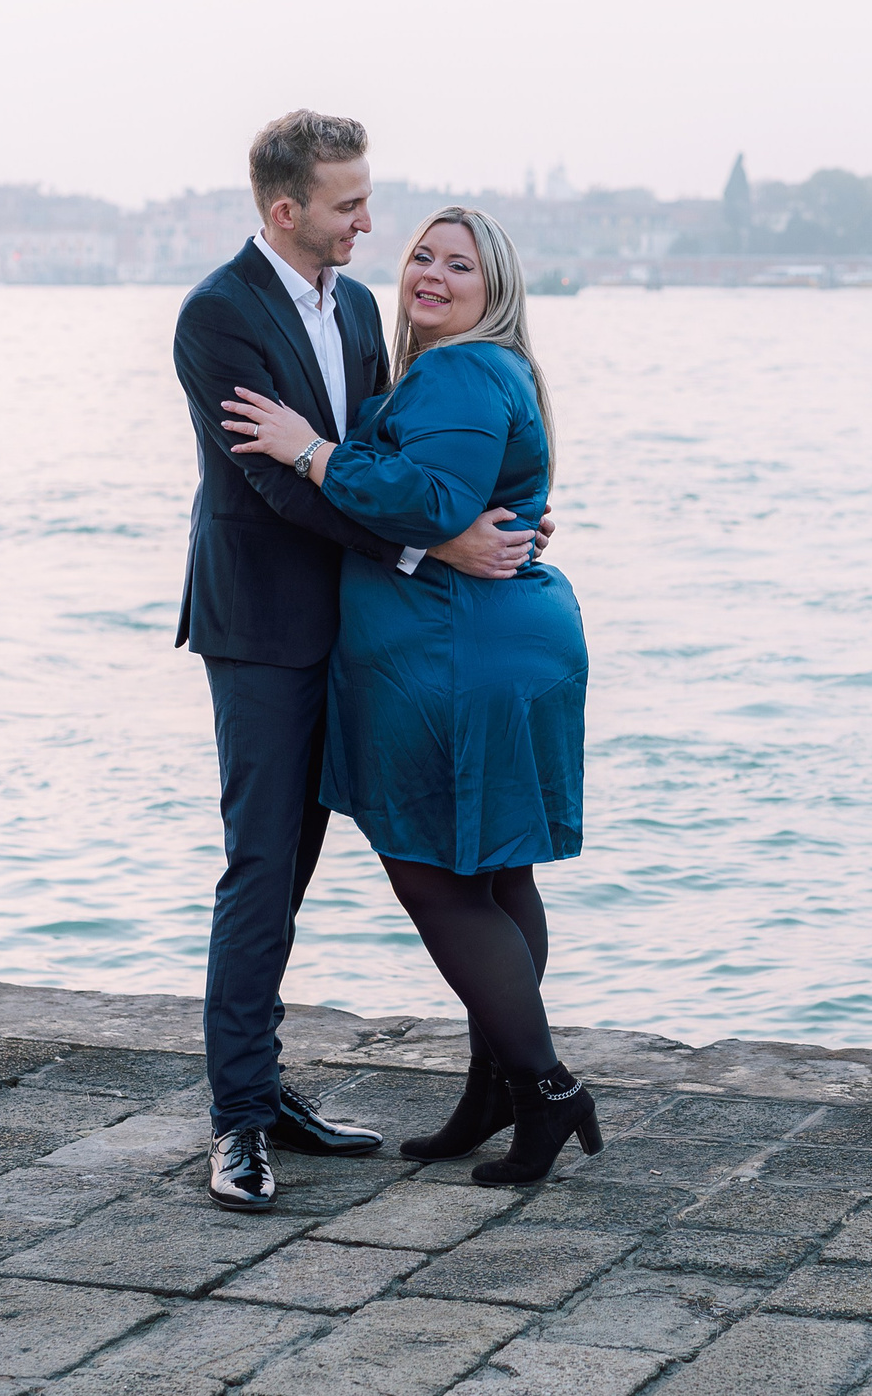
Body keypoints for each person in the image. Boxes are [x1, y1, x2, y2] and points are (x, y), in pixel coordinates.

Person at [173, 113, 546, 1213]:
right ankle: (241, 1117)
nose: (368, 223)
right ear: (287, 211)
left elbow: (379, 458)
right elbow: (276, 485)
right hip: (262, 630)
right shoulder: (217, 316)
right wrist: (436, 541)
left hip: (363, 621)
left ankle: (500, 1079)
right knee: (261, 868)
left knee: (404, 859)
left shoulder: (355, 306)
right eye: (348, 205)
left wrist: (494, 517)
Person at [222, 205, 596, 1187]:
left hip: (456, 654)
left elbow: (427, 501)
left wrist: (307, 449)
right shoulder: (466, 369)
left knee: (431, 874)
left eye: (458, 264)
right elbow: (455, 489)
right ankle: (497, 1086)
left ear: (494, 287)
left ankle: (546, 1087)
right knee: (497, 871)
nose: (430, 273)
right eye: (421, 255)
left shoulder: (461, 369)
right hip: (478, 642)